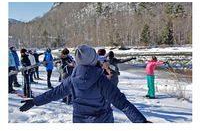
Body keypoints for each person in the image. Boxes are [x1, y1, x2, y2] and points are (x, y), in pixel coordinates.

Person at [19, 45, 150, 123]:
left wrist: (34, 101)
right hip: (102, 121)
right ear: (93, 58)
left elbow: (54, 94)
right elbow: (122, 103)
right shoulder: (101, 80)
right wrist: (141, 121)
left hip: (79, 121)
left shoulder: (72, 79)